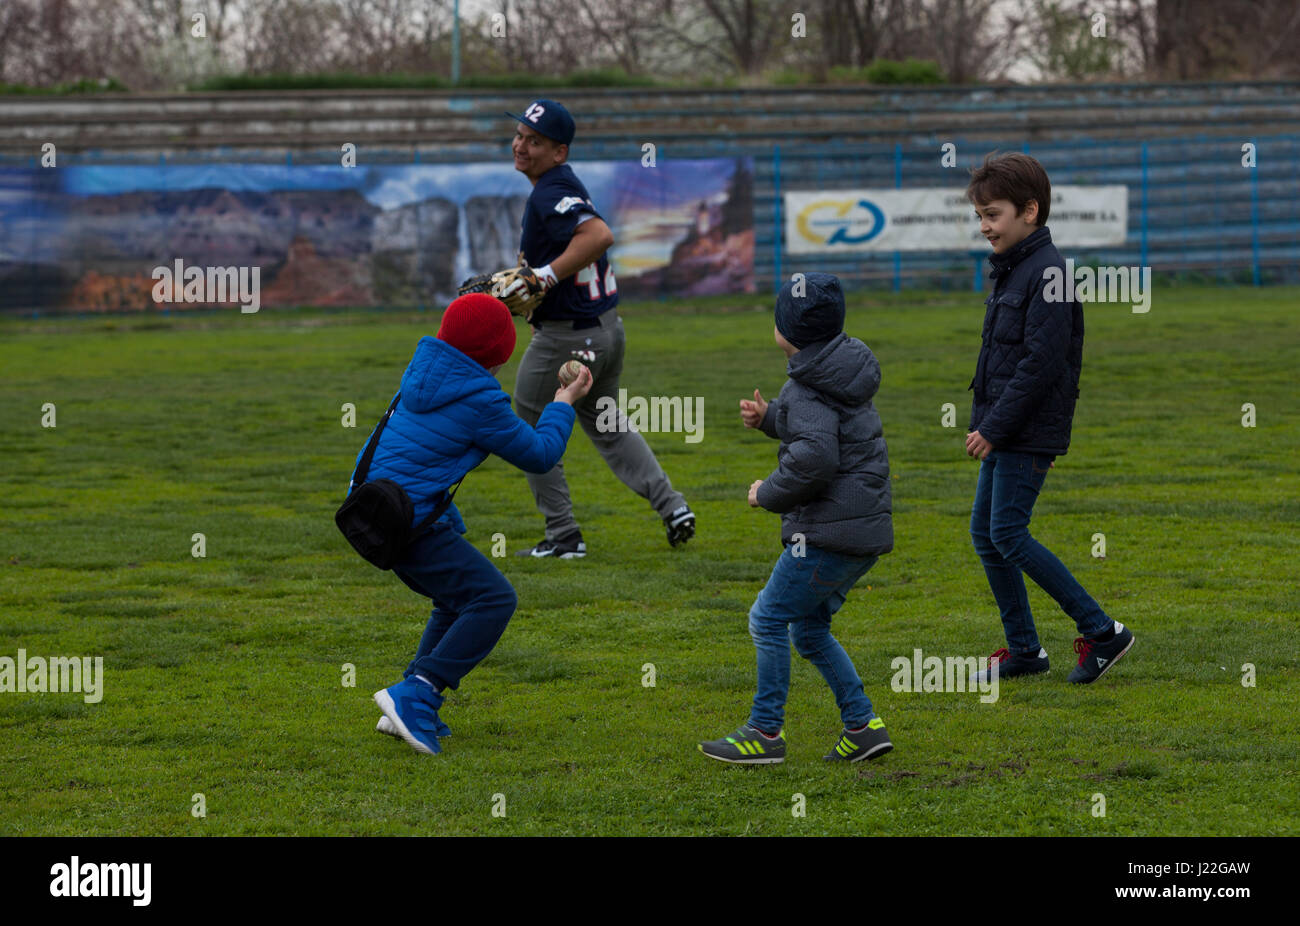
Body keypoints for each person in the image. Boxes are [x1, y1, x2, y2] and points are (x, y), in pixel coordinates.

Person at [359, 293, 593, 755]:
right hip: (404, 524)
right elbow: (541, 454)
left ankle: (409, 698)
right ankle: (417, 693)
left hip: (374, 512)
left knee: (453, 600)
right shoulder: (479, 399)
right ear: (498, 354)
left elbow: (411, 455)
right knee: (494, 599)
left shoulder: (424, 372)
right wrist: (564, 402)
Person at [698, 273, 894, 765]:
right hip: (860, 531)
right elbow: (823, 426)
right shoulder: (840, 368)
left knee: (766, 618)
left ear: (787, 332)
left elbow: (815, 458)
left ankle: (764, 732)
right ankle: (863, 726)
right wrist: (770, 418)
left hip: (826, 534)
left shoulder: (807, 386)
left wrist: (768, 493)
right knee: (808, 631)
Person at [965, 152, 1134, 685]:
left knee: (1008, 534)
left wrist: (994, 428)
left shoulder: (1052, 273)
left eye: (993, 215)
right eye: (980, 217)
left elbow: (1041, 365)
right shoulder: (1015, 269)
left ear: (1030, 211)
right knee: (986, 534)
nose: (985, 227)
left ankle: (1104, 633)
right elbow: (1000, 357)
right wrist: (985, 420)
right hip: (1005, 426)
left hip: (1025, 429)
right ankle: (1025, 651)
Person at [504, 98, 694, 559]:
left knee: (529, 423)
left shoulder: (550, 191)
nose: (521, 146)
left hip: (571, 338)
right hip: (606, 330)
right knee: (606, 421)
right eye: (520, 137)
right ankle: (673, 507)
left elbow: (599, 236)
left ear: (559, 152)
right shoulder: (562, 184)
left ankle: (563, 535)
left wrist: (545, 277)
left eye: (536, 141)